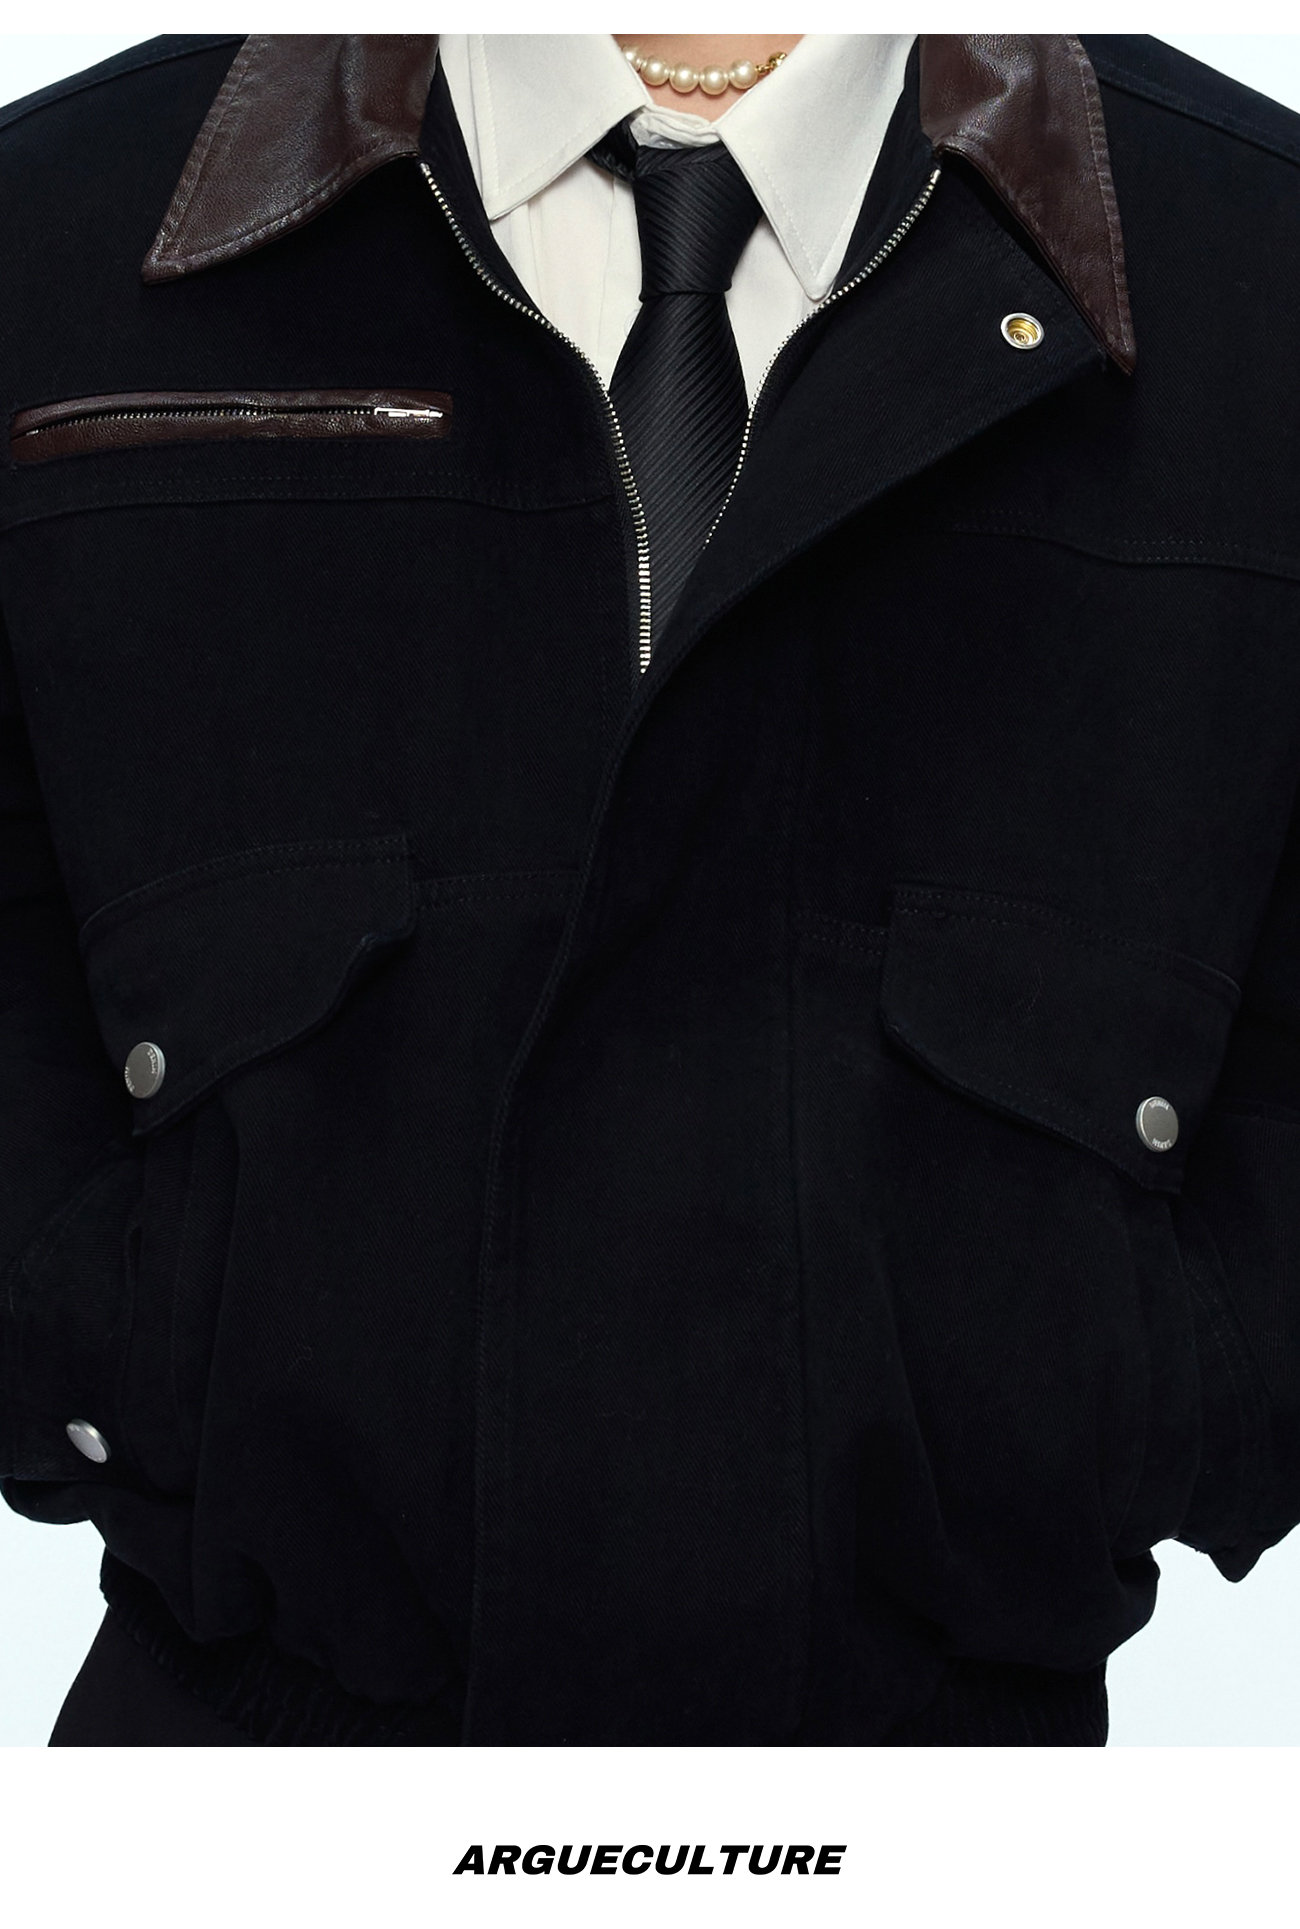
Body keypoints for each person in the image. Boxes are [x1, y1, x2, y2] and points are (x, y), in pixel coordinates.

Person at [2, 31, 1299, 1748]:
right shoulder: (56, 228)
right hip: (236, 1779)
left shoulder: (1251, 256)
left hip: (949, 1806)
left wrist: (1171, 1396)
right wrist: (105, 1340)